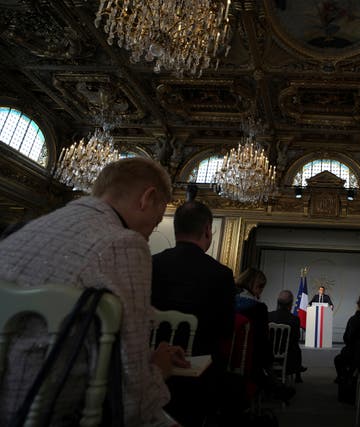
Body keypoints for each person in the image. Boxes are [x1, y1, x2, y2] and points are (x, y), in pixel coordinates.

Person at [0, 157, 188, 426]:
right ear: (148, 198)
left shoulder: (28, 229)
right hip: (36, 413)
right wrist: (159, 368)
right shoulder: (124, 243)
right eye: (156, 222)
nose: (149, 234)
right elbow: (133, 397)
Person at [151, 200, 236, 425]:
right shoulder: (222, 274)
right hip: (202, 375)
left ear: (176, 228)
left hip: (151, 365)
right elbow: (226, 330)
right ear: (208, 230)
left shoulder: (150, 264)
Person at [268, 290, 307, 383]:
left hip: (268, 354)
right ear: (291, 304)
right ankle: (298, 373)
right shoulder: (295, 319)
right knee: (296, 348)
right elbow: (296, 338)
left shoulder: (269, 316)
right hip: (288, 357)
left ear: (278, 302)